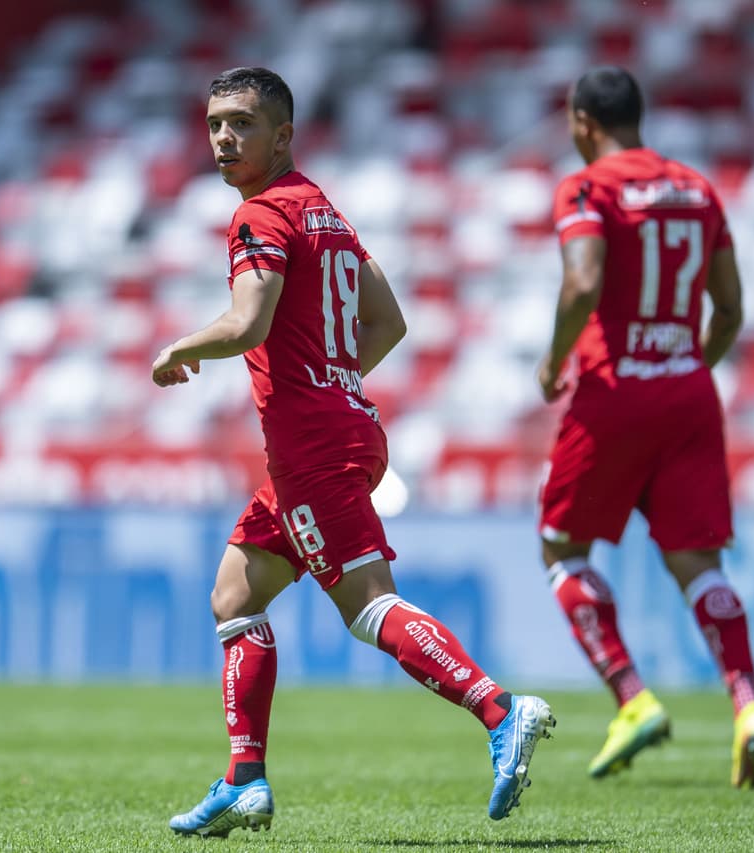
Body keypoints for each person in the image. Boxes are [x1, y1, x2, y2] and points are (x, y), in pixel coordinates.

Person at [153, 67, 554, 837]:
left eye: (242, 122)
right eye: (213, 124)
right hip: (344, 428)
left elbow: (247, 324)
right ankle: (244, 779)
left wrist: (179, 346)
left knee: (369, 605)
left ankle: (501, 709)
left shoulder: (262, 218)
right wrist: (330, 378)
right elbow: (390, 320)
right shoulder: (323, 213)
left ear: (283, 134)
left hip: (312, 445)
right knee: (235, 595)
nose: (224, 138)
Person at [535, 66, 754, 788]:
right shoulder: (698, 188)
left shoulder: (588, 187)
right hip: (689, 394)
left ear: (582, 123)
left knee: (562, 546)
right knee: (699, 564)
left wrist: (552, 364)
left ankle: (633, 698)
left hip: (613, 392)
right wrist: (685, 367)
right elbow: (730, 309)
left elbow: (581, 282)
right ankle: (750, 706)